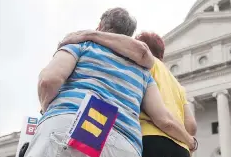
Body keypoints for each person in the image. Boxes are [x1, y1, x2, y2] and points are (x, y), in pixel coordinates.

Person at [25, 8, 196, 157]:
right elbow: (162, 117)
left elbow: (48, 81)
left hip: (73, 120)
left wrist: (47, 108)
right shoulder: (143, 72)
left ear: (100, 26)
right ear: (129, 37)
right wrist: (190, 141)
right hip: (125, 144)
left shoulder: (81, 43)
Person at [59, 31, 198, 157]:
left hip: (148, 140)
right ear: (162, 54)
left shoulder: (143, 66)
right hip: (182, 148)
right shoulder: (177, 84)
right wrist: (189, 141)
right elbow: (191, 125)